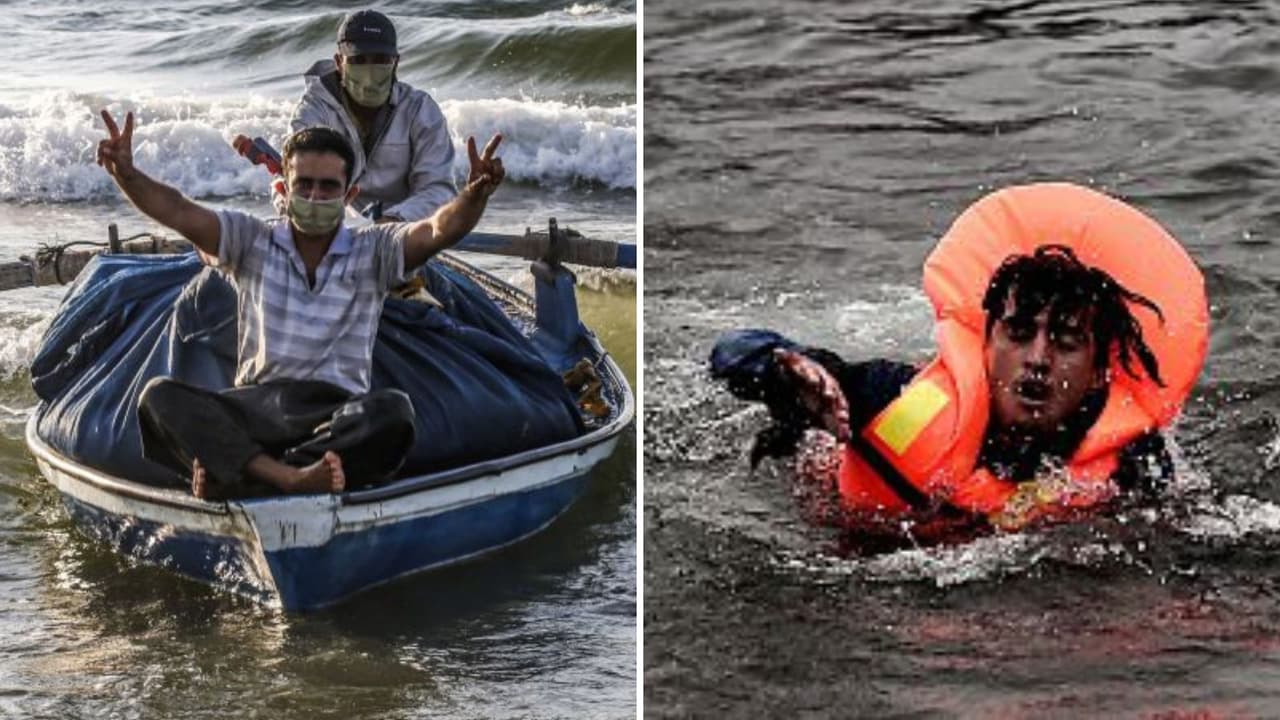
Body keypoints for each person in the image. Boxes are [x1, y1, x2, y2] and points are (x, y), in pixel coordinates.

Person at [710, 184, 1208, 533]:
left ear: (1099, 371)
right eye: (1018, 334)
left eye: (1065, 342)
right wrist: (786, 371)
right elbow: (732, 352)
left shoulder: (1134, 463)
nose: (1037, 359)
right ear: (986, 344)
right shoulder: (892, 397)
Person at [95, 108, 505, 500]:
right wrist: (127, 175)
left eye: (328, 187)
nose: (314, 195)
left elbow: (436, 230)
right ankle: (291, 478)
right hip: (256, 407)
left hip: (332, 416)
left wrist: (474, 196)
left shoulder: (373, 249)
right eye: (304, 185)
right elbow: (179, 211)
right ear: (284, 189)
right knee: (159, 398)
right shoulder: (251, 239)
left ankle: (248, 476)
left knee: (393, 411)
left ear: (349, 194)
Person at [269, 9, 456, 223]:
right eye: (358, 60)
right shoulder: (315, 110)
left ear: (396, 62)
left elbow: (438, 189)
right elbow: (289, 178)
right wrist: (297, 211)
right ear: (339, 62)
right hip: (332, 228)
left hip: (404, 230)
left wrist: (393, 220)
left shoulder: (419, 109)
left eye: (380, 60)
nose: (369, 73)